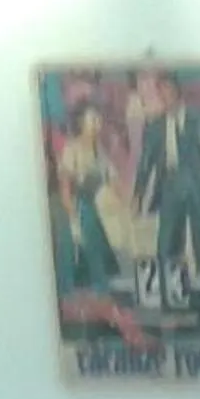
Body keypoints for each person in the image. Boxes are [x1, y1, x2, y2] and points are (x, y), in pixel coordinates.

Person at [132, 70, 200, 317]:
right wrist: (139, 192)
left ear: (177, 91)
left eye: (168, 90)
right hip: (171, 189)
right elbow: (146, 163)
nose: (164, 97)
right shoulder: (154, 127)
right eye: (160, 92)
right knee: (167, 244)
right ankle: (174, 298)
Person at [51, 102, 124, 296]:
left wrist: (124, 200)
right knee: (75, 250)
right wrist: (71, 212)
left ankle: (101, 287)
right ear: (81, 122)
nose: (97, 123)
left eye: (99, 119)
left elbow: (112, 176)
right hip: (73, 205)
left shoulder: (99, 150)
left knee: (98, 245)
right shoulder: (72, 148)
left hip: (90, 204)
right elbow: (65, 181)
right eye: (92, 119)